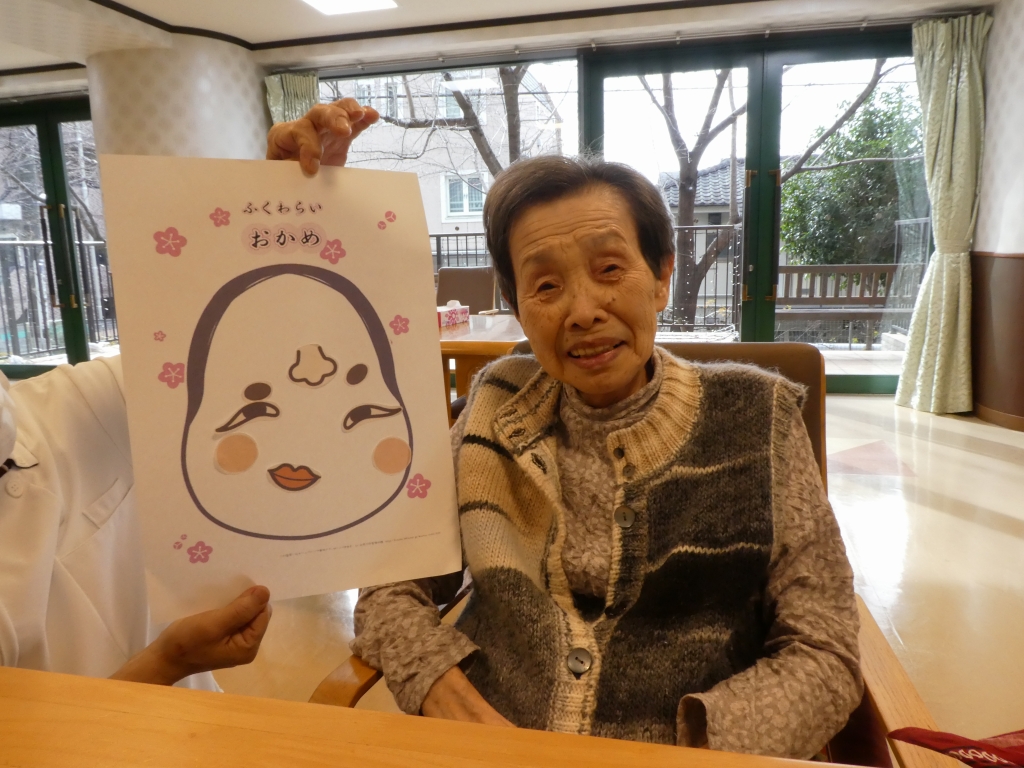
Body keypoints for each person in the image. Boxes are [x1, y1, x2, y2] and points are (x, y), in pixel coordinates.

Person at [280, 98, 862, 758]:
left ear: (661, 276)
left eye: (609, 269)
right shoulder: (495, 406)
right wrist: (448, 695)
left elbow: (824, 650)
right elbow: (392, 585)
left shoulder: (757, 419)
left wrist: (692, 752)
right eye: (547, 286)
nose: (583, 310)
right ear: (518, 304)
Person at [0, 356, 271, 688]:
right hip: (107, 719)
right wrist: (167, 662)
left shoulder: (70, 406)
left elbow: (223, 363)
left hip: (197, 709)